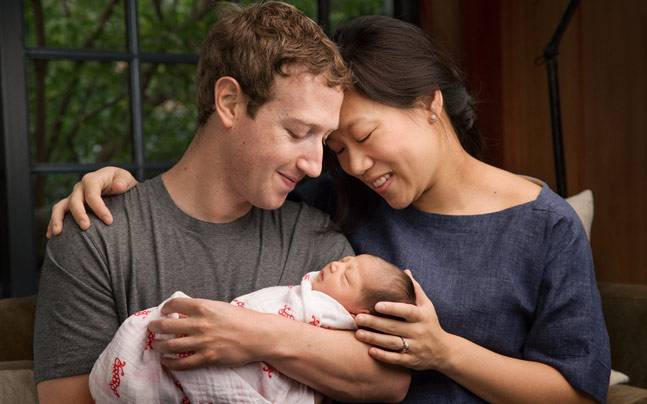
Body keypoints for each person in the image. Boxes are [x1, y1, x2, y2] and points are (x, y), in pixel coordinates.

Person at [48, 14, 611, 404]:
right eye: (334, 145)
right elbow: (226, 169)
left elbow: (576, 391)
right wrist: (116, 182)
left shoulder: (545, 226)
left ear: (429, 103)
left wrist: (444, 352)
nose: (340, 164)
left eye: (355, 137)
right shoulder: (344, 199)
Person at [32, 3, 411, 404]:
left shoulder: (316, 245)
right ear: (229, 102)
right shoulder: (98, 235)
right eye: (298, 131)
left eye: (323, 139)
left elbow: (387, 382)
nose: (316, 165)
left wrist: (254, 335)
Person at [89, 255, 415, 404]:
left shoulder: (328, 306)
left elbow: (392, 381)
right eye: (345, 261)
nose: (336, 265)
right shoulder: (109, 235)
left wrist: (254, 334)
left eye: (346, 275)